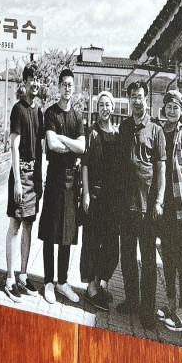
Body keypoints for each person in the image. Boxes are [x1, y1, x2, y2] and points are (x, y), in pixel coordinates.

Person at [117, 80, 166, 330]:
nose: (137, 100)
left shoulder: (156, 130)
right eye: (133, 96)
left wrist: (159, 200)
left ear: (146, 99)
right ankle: (132, 300)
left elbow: (161, 169)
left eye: (140, 96)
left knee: (148, 260)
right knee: (127, 255)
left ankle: (147, 310)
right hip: (126, 205)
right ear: (129, 100)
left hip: (147, 207)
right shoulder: (124, 127)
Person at [37, 68, 85, 304]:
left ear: (73, 88)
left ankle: (62, 282)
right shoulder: (50, 113)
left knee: (67, 233)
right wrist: (70, 144)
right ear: (58, 86)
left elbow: (82, 147)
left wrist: (64, 139)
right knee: (50, 232)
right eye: (64, 84)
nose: (67, 88)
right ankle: (48, 281)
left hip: (72, 181)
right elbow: (51, 144)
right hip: (54, 177)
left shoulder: (77, 116)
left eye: (70, 85)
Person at [156, 90, 182, 332]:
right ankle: (170, 303)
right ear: (164, 109)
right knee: (167, 257)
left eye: (176, 107)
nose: (172, 111)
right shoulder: (160, 131)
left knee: (181, 258)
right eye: (169, 107)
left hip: (179, 206)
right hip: (162, 204)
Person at [3, 65, 44, 301]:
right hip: (21, 175)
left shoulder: (39, 112)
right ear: (25, 83)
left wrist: (40, 178)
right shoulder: (18, 109)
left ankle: (23, 275)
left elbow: (41, 148)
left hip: (34, 177)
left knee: (28, 225)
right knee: (15, 225)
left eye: (37, 79)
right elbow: (14, 146)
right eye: (31, 79)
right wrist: (17, 181)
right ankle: (9, 278)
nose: (35, 83)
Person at [80, 90, 120, 311]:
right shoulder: (91, 133)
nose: (105, 108)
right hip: (94, 195)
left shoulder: (117, 133)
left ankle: (101, 283)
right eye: (101, 105)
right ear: (97, 109)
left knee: (111, 245)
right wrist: (86, 193)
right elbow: (85, 165)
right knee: (92, 243)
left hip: (112, 198)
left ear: (113, 108)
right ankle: (91, 289)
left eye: (108, 105)